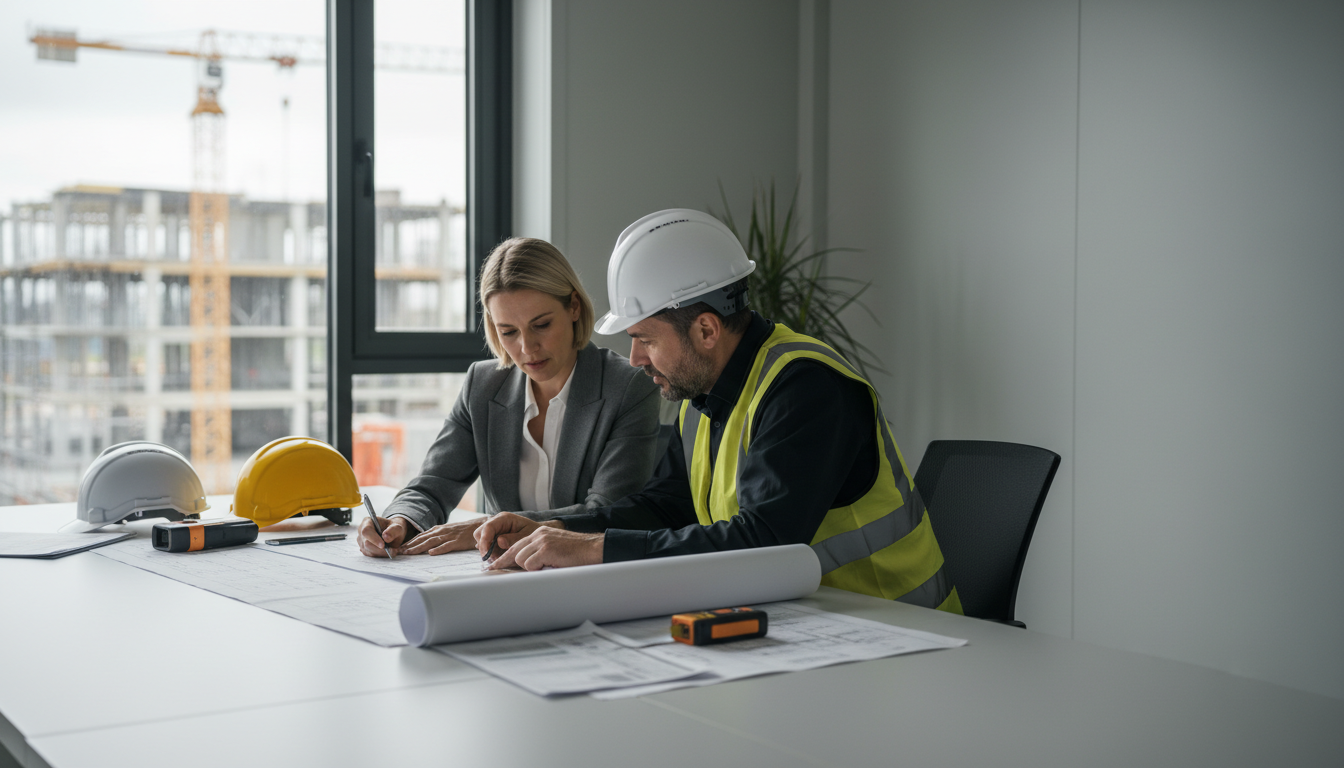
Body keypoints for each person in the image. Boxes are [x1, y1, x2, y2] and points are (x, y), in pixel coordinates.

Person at [474, 210, 962, 612]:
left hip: (904, 628)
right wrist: (557, 528)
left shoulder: (808, 388)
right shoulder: (700, 395)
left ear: (706, 330)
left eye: (645, 339)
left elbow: (765, 542)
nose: (637, 359)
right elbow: (664, 507)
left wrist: (596, 551)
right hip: (812, 623)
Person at [358, 237, 662, 557]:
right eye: (509, 332)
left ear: (573, 306)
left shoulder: (627, 387)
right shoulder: (483, 383)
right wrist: (398, 521)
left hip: (585, 574)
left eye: (541, 325)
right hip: (503, 574)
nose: (527, 348)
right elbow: (433, 484)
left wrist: (487, 526)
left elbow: (607, 511)